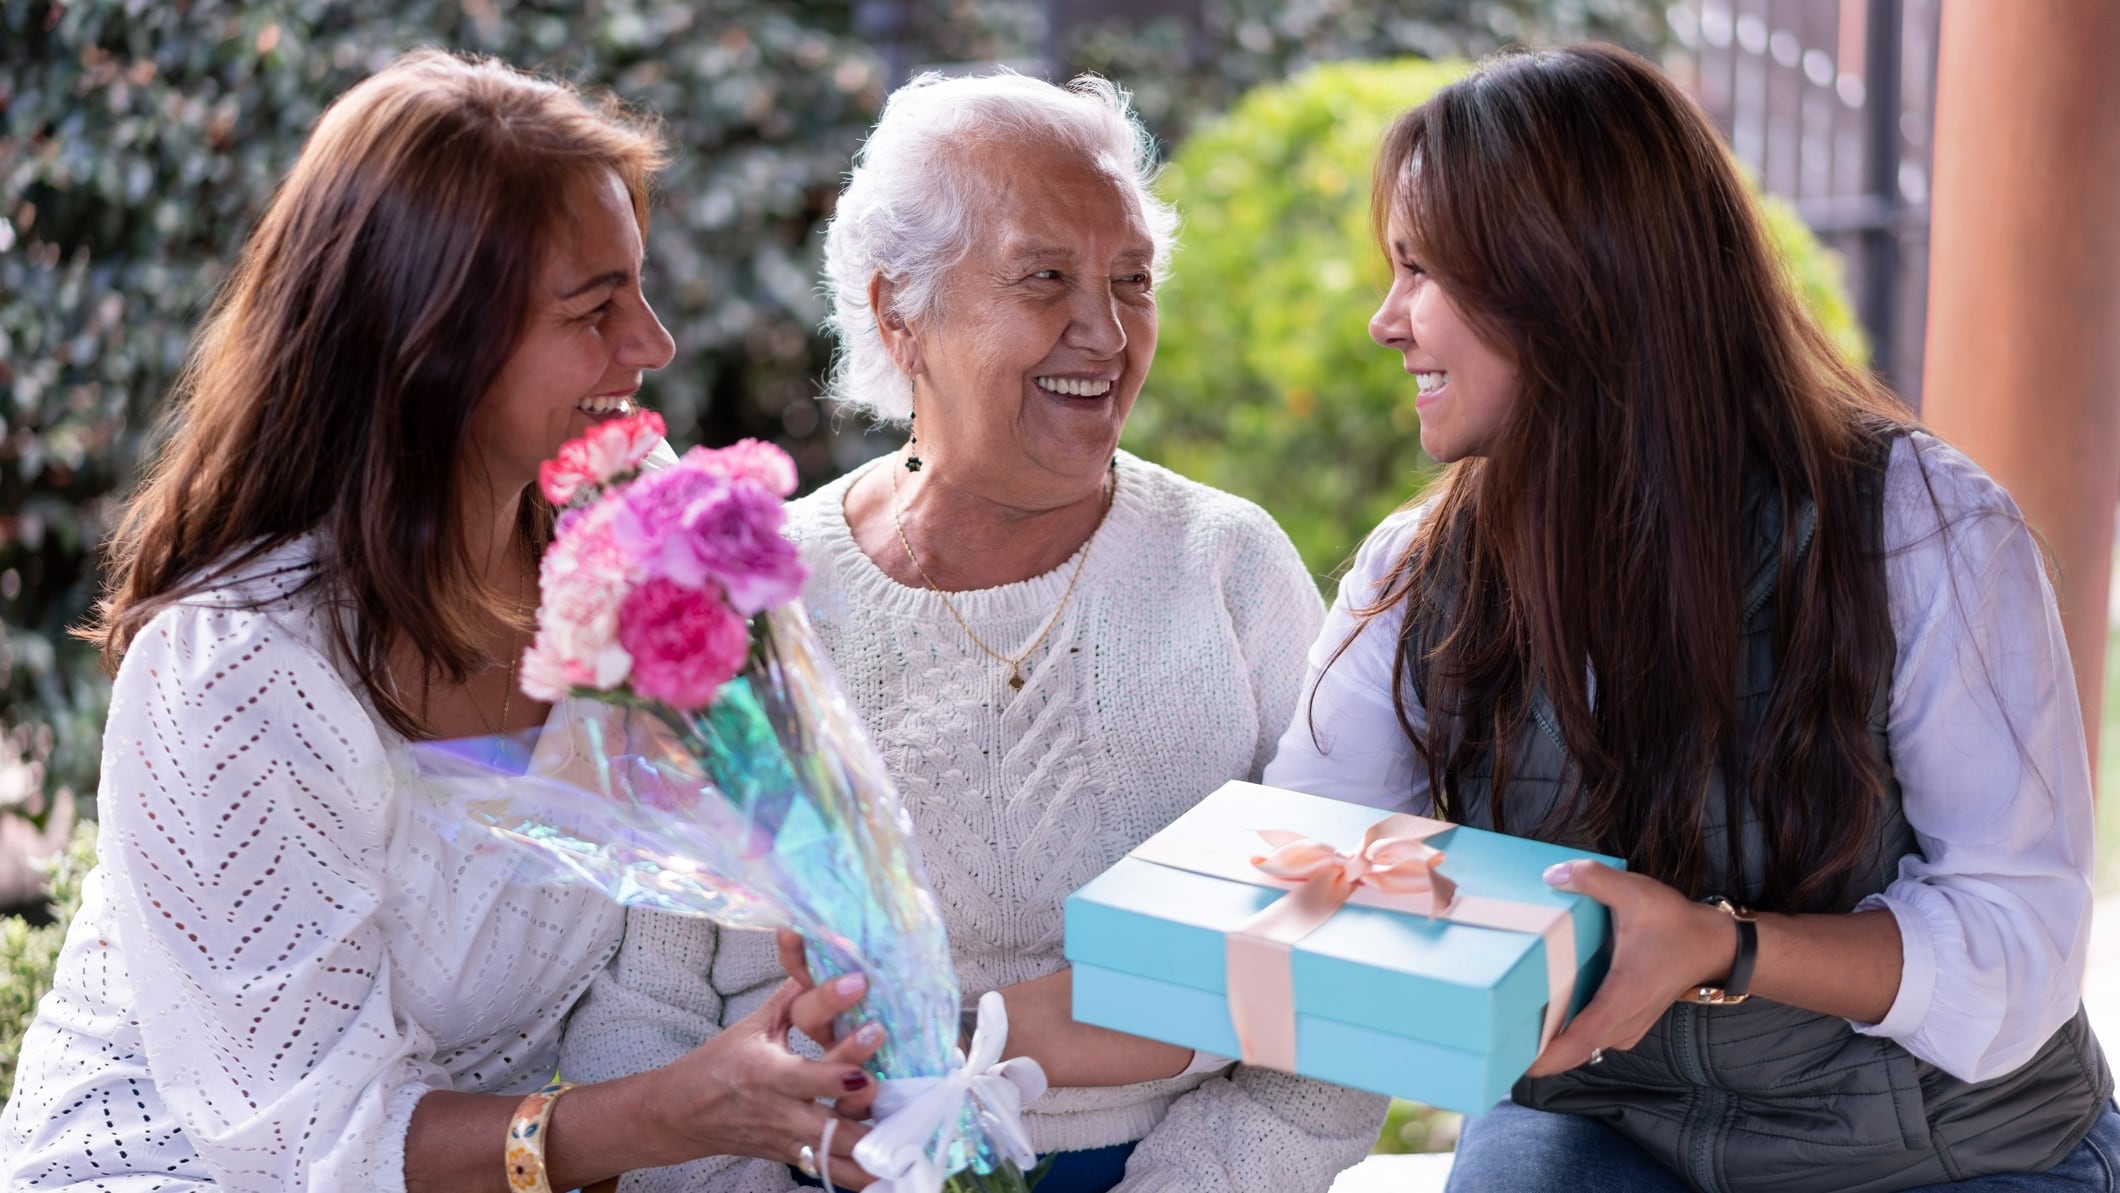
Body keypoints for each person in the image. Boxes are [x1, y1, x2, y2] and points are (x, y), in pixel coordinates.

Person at [0, 50, 889, 1193]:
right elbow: (307, 1144)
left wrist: (815, 1031)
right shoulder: (240, 668)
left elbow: (736, 873)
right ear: (432, 348)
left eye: (640, 285)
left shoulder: (625, 516)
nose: (654, 343)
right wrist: (669, 1114)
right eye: (595, 307)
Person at [1263, 43, 2116, 1193]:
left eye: (1421, 271)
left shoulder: (1918, 528)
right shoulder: (1419, 573)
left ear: (1562, 277)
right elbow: (1305, 870)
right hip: (1606, 1120)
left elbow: (2018, 950)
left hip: (1938, 1145)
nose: (1384, 319)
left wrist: (1721, 945)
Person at [559, 70, 1388, 1193]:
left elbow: (1338, 974)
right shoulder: (751, 599)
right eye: (1044, 276)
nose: (1103, 330)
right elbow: (647, 1003)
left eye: (1132, 280)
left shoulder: (1227, 568)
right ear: (899, 309)